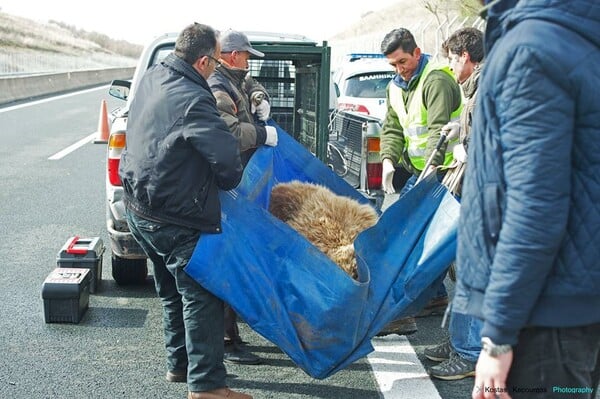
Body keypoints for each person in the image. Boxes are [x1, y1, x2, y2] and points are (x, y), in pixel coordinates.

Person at [454, 1, 600, 398]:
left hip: (540, 318)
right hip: (571, 303)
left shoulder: (530, 48)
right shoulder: (575, 36)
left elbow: (534, 204)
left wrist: (499, 336)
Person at [119, 22, 252, 399]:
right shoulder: (196, 98)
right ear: (204, 60)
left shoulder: (151, 77)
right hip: (177, 216)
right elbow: (227, 166)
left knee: (170, 292)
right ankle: (207, 386)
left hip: (138, 207)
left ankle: (179, 365)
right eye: (214, 61)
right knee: (202, 295)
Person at [377, 27, 463, 336]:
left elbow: (438, 131)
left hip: (445, 171)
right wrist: (388, 159)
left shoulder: (436, 80)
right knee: (419, 236)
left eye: (403, 61)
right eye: (393, 65)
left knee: (416, 239)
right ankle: (435, 296)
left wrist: (429, 172)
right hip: (420, 170)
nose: (399, 69)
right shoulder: (395, 86)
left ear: (416, 52)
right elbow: (393, 129)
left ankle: (404, 310)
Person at [208, 29, 278, 366]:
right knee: (228, 259)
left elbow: (248, 85)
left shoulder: (232, 79)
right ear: (232, 55)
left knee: (235, 257)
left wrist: (259, 95)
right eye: (246, 56)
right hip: (227, 186)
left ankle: (229, 332)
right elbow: (231, 134)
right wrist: (263, 133)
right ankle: (224, 338)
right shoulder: (218, 88)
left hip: (239, 185)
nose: (249, 61)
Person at [424, 27, 485, 381]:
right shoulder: (476, 88)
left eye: (451, 58)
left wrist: (468, 149)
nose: (449, 65)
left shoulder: (485, 90)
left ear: (464, 55)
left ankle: (469, 351)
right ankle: (461, 340)